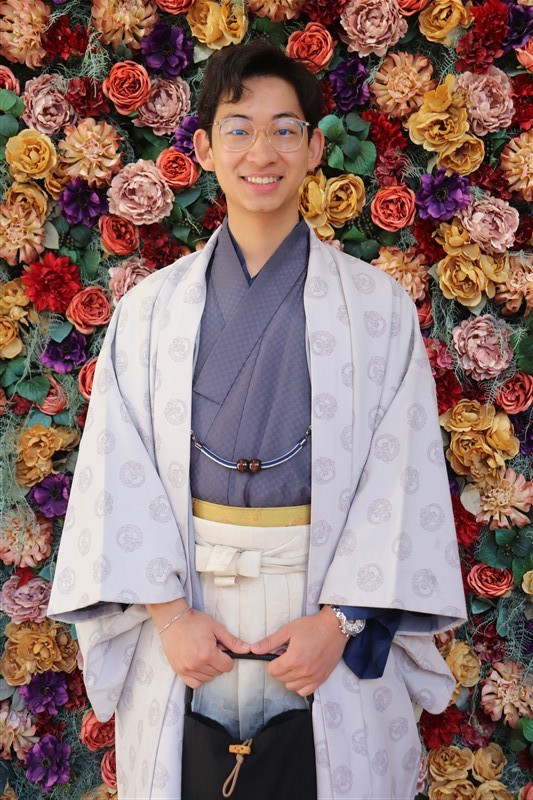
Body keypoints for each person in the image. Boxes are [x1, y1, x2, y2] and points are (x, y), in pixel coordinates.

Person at [48, 40, 467, 800]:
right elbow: (116, 472)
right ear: (205, 148)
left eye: (284, 129)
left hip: (320, 611)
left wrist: (340, 623)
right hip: (188, 613)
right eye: (238, 129)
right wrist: (169, 619)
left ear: (314, 148)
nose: (261, 152)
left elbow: (399, 476)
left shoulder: (376, 309)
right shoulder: (149, 311)